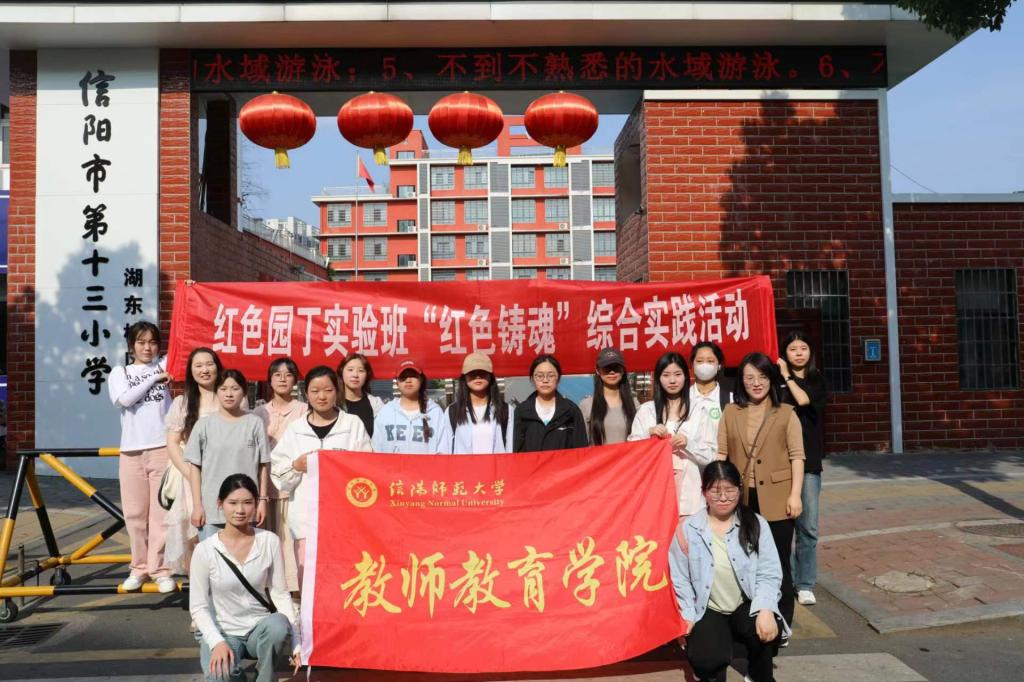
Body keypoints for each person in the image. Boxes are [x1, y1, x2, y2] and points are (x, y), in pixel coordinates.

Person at [669, 461, 787, 682]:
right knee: (705, 659)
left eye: (730, 490)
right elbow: (680, 578)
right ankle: (712, 668)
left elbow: (769, 572)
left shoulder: (756, 524)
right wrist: (688, 616)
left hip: (746, 603)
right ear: (704, 492)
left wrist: (765, 609)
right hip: (709, 607)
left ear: (739, 490)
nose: (723, 497)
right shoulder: (688, 529)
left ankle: (759, 675)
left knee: (768, 629)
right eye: (715, 491)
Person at [718, 352, 804, 638]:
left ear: (772, 379)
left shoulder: (786, 413)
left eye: (763, 377)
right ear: (741, 381)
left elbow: (797, 457)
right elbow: (722, 454)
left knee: (778, 562)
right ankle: (753, 618)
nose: (756, 383)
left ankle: (782, 622)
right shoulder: (731, 412)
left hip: (778, 498)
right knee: (744, 561)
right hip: (742, 499)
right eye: (750, 377)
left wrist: (795, 495)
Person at [190, 474, 299, 682]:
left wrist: (296, 643)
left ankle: (265, 678)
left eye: (248, 503)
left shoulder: (269, 541)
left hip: (259, 628)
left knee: (278, 626)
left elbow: (280, 593)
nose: (240, 510)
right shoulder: (205, 550)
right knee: (219, 675)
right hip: (223, 631)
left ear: (256, 504)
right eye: (232, 503)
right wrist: (216, 642)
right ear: (220, 504)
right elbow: (198, 607)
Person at [271, 366, 371, 586]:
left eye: (328, 390)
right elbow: (278, 472)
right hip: (305, 521)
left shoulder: (352, 425)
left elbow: (367, 467)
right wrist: (296, 466)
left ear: (337, 391)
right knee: (309, 583)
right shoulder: (296, 429)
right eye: (315, 391)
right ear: (306, 394)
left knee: (345, 581)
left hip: (345, 521)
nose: (322, 396)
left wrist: (344, 464)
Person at [107, 321, 174, 593]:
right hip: (131, 451)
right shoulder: (120, 372)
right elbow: (124, 400)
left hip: (162, 448)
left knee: (161, 515)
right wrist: (153, 378)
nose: (148, 348)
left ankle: (161, 570)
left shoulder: (166, 364)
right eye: (141, 342)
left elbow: (187, 339)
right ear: (131, 345)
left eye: (153, 342)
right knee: (134, 515)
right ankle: (139, 568)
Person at [186, 369, 270, 541]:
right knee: (212, 555)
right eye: (223, 389)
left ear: (244, 392)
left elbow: (263, 465)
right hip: (212, 508)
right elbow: (195, 468)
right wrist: (197, 505)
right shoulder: (204, 425)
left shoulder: (255, 423)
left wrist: (262, 500)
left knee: (246, 554)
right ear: (216, 392)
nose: (229, 394)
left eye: (235, 388)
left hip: (246, 508)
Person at [165, 347, 228, 574]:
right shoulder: (182, 403)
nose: (205, 370)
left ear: (218, 367)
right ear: (191, 371)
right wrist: (190, 473)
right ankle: (198, 588)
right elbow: (173, 442)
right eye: (198, 365)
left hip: (225, 476)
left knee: (225, 532)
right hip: (191, 478)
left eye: (209, 364)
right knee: (194, 535)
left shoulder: (229, 397)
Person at [777, 331, 828, 607]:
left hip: (808, 462)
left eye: (803, 348)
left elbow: (804, 400)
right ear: (784, 352)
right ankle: (787, 579)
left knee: (807, 526)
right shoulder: (774, 381)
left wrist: (786, 375)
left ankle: (805, 583)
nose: (798, 353)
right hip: (779, 461)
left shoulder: (816, 379)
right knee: (783, 525)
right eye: (793, 348)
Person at [252, 357, 305, 595]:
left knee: (289, 540)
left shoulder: (304, 410)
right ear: (269, 380)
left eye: (288, 374)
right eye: (277, 374)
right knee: (266, 540)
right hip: (264, 487)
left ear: (295, 380)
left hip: (293, 486)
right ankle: (267, 589)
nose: (283, 379)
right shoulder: (258, 412)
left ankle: (293, 591)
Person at [629, 352, 701, 521]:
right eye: (666, 375)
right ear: (658, 378)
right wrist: (648, 435)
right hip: (654, 489)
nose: (672, 380)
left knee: (685, 535)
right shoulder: (646, 410)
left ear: (686, 376)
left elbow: (711, 453)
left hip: (689, 494)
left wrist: (688, 444)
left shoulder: (698, 409)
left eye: (677, 374)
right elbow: (631, 450)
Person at [437, 353, 514, 454]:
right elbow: (444, 451)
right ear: (464, 377)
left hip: (497, 465)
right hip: (462, 465)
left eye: (482, 372)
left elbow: (510, 448)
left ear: (490, 376)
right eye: (472, 372)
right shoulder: (452, 411)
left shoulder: (506, 410)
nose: (477, 376)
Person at [513, 354, 588, 453]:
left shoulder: (571, 411)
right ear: (532, 379)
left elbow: (581, 450)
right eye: (540, 376)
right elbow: (516, 450)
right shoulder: (521, 411)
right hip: (532, 463)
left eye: (551, 375)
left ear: (558, 378)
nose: (545, 380)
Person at [372, 359, 445, 454]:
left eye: (413, 376)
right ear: (397, 382)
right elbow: (376, 449)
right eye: (403, 377)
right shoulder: (386, 412)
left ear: (421, 380)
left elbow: (443, 451)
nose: (408, 380)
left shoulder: (435, 412)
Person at [578, 347, 638, 446]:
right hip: (597, 457)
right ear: (597, 370)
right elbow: (581, 444)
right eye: (607, 367)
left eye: (616, 367)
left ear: (623, 370)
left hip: (629, 456)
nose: (612, 372)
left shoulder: (634, 404)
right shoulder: (586, 405)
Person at [337, 353, 384, 437]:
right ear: (341, 372)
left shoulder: (375, 403)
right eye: (350, 370)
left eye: (361, 371)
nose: (355, 375)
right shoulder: (333, 403)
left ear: (367, 375)